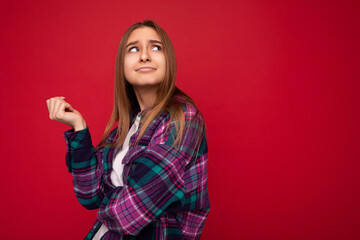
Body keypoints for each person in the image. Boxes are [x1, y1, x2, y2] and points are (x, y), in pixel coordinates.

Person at [46, 20, 210, 240]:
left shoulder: (183, 119)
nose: (144, 56)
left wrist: (112, 198)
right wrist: (79, 127)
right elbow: (89, 195)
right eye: (133, 49)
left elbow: (129, 214)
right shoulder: (124, 131)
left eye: (155, 47)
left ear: (168, 61)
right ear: (121, 66)